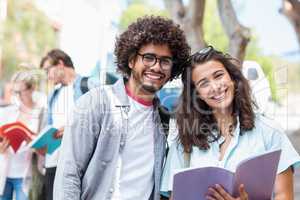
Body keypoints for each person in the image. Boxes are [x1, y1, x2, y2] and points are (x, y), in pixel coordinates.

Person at [53, 16, 190, 200]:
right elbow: (68, 176)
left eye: (165, 61)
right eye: (149, 58)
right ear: (132, 60)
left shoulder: (162, 118)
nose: (157, 67)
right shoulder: (96, 103)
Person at [160, 46, 300, 200]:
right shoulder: (184, 143)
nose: (215, 87)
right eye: (204, 83)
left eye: (218, 75)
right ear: (197, 94)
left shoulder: (269, 131)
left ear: (233, 78)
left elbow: (285, 196)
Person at [39, 49, 98, 200]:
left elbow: (101, 122)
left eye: (48, 70)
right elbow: (50, 127)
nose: (47, 76)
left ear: (60, 64)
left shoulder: (89, 85)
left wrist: (72, 129)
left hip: (79, 165)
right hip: (53, 162)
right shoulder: (53, 94)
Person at [0, 70, 47, 200]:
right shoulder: (8, 111)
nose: (18, 96)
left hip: (26, 175)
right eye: (15, 92)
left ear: (32, 88)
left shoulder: (41, 113)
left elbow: (45, 149)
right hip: (5, 172)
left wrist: (35, 144)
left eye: (21, 91)